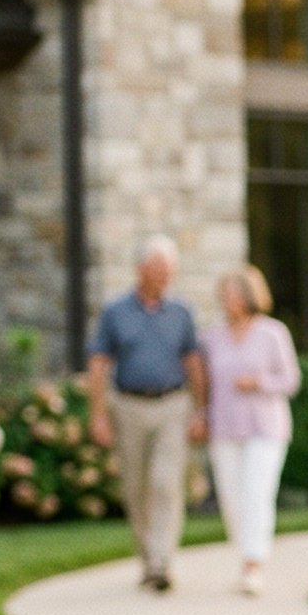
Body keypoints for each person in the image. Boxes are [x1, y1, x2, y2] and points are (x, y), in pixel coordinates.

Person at [88, 235, 206, 592]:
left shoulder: (182, 313)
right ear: (141, 270)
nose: (166, 276)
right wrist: (98, 415)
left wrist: (201, 410)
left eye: (170, 270)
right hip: (129, 406)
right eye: (159, 269)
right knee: (136, 487)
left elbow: (194, 363)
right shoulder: (115, 312)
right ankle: (147, 558)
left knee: (166, 483)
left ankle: (161, 562)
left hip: (173, 405)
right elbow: (98, 364)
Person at [200, 265, 301, 596]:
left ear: (249, 294)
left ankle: (253, 564)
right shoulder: (211, 338)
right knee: (231, 498)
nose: (226, 298)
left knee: (257, 492)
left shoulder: (273, 333)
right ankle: (245, 554)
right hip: (225, 428)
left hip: (265, 428)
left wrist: (257, 382)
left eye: (232, 291)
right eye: (223, 292)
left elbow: (291, 380)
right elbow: (203, 384)